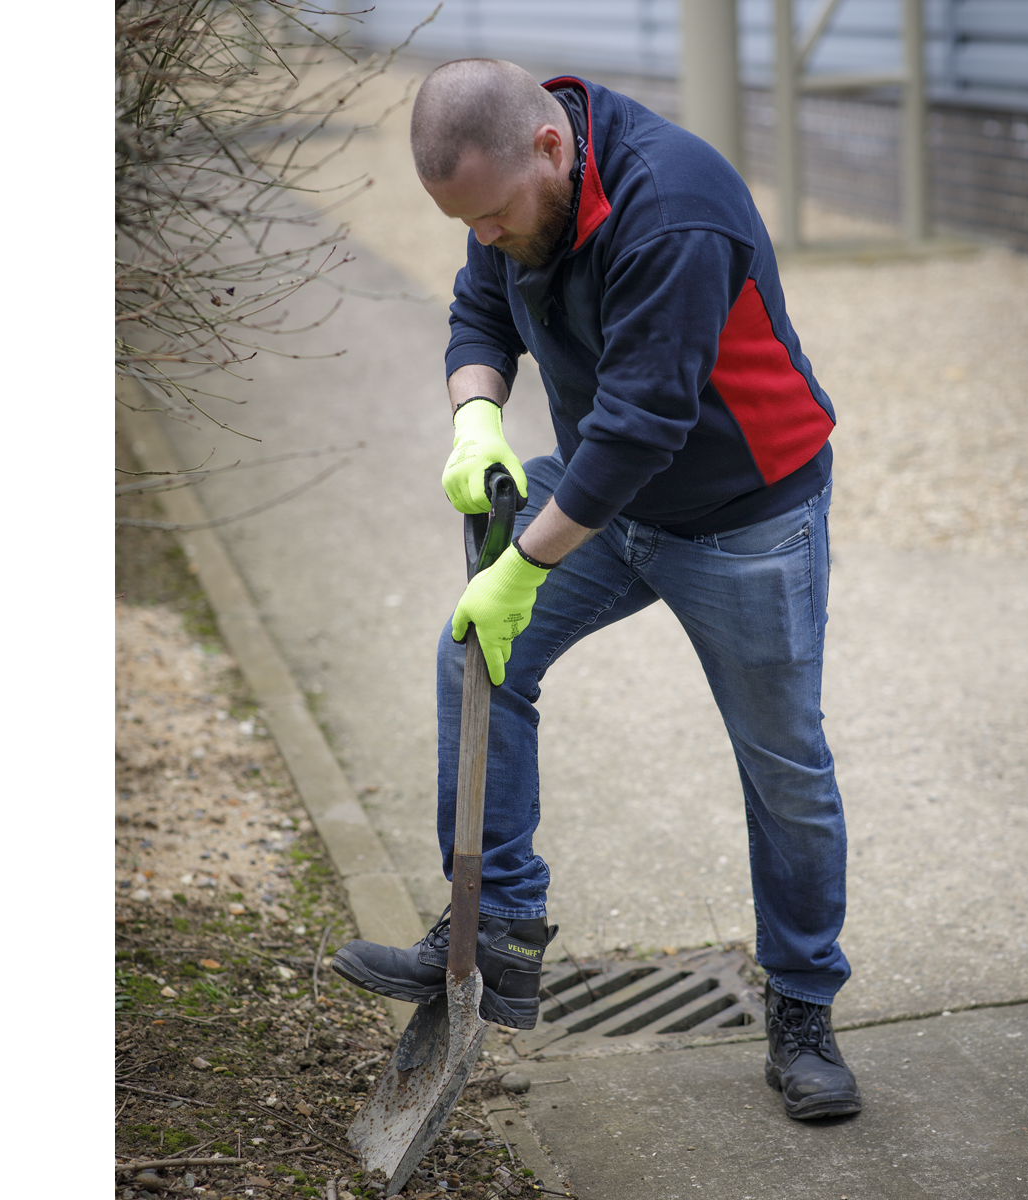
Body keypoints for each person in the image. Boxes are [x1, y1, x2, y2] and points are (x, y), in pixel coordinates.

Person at [333, 58, 861, 1120]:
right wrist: (474, 417)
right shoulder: (508, 195)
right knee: (475, 653)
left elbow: (640, 429)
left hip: (744, 516)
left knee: (783, 767)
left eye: (490, 215)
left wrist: (525, 564)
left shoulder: (675, 214)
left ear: (548, 147)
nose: (483, 236)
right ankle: (500, 932)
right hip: (607, 500)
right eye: (464, 221)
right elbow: (479, 317)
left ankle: (803, 1004)